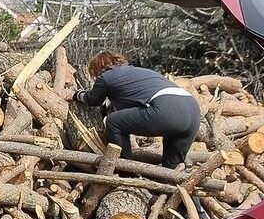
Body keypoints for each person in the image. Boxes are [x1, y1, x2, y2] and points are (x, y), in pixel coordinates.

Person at [74, 51, 202, 169]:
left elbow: (92, 100)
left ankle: (125, 170)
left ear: (99, 69)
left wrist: (77, 94)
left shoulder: (106, 77)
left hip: (167, 110)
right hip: (193, 109)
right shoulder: (141, 72)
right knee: (170, 168)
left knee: (114, 122)